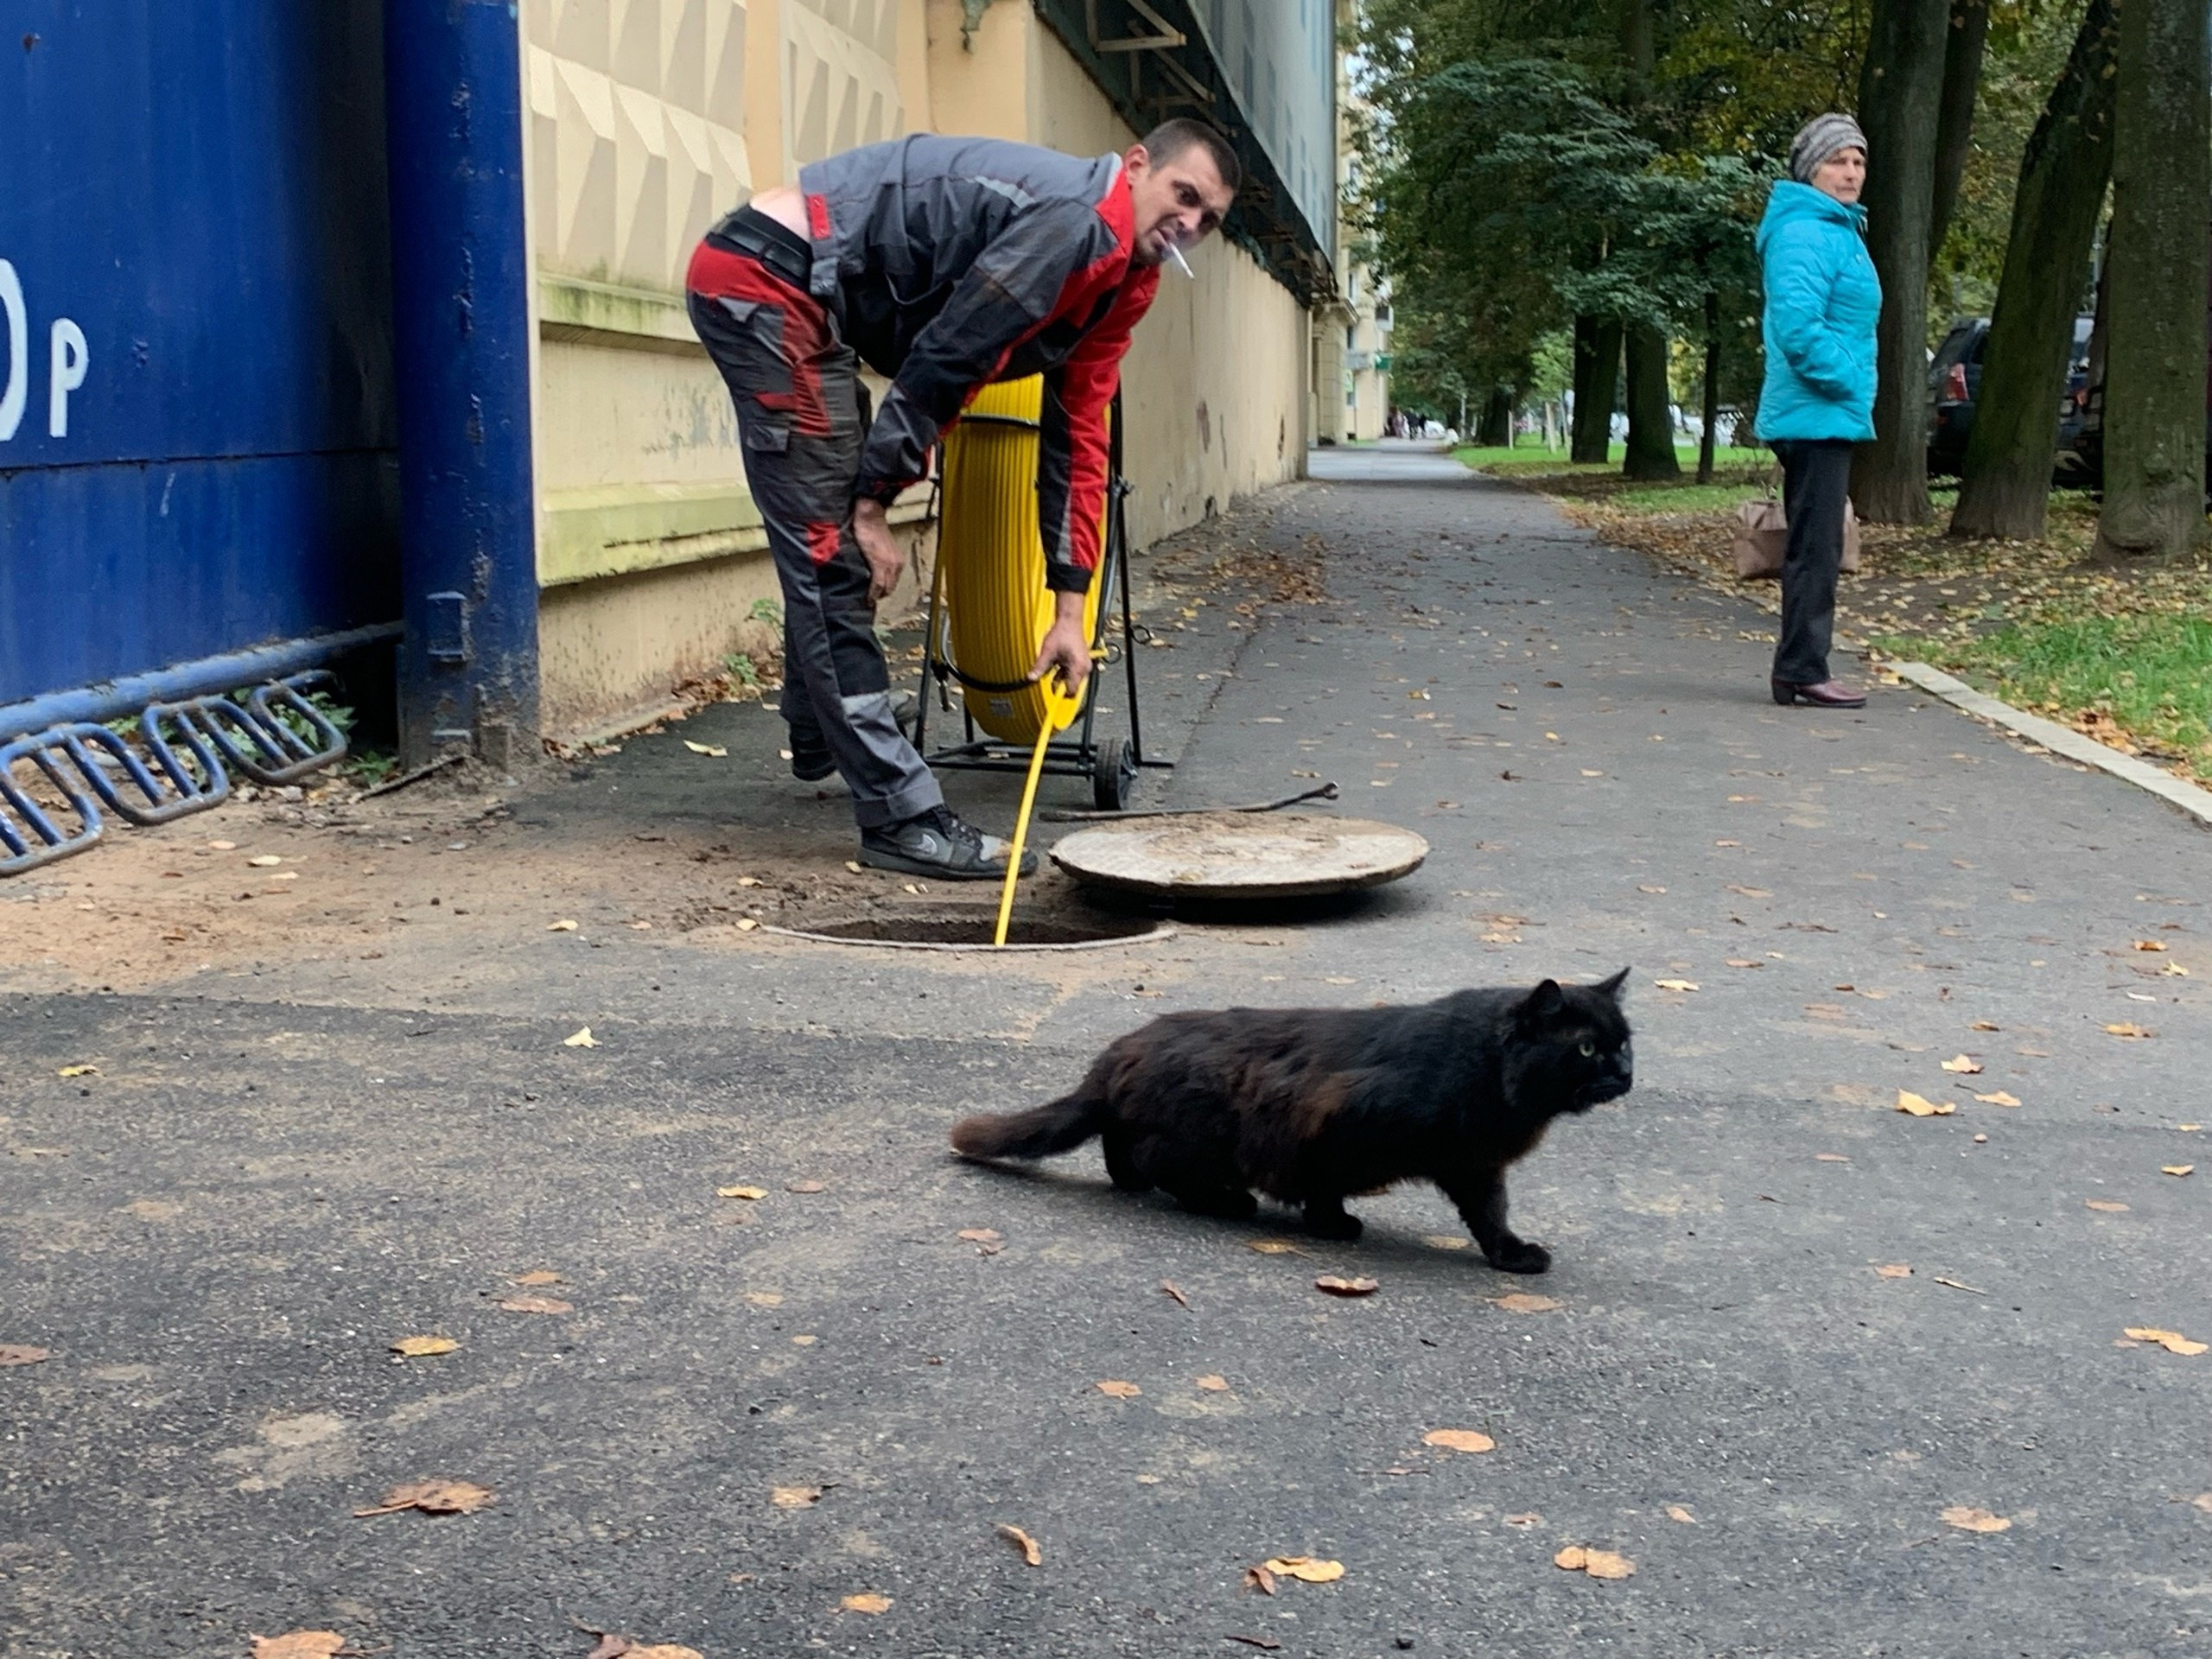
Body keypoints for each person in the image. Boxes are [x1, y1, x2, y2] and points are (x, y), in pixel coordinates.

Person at [685, 123, 1239, 877]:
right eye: (1184, 197)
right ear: (1138, 166)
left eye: (1208, 219)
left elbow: (1080, 437)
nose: (1190, 225)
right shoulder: (1077, 220)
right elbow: (954, 353)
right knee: (832, 552)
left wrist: (1070, 612)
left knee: (832, 537)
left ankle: (821, 726)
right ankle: (900, 819)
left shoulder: (1123, 279)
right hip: (764, 277)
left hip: (809, 296)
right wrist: (874, 502)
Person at [1755, 112, 1880, 709]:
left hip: (1826, 410)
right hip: (1815, 409)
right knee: (1817, 547)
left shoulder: (1836, 230)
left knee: (1819, 543)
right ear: (1811, 169)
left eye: (1858, 161)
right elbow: (1799, 330)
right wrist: (1852, 379)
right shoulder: (1805, 232)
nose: (1851, 171)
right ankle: (1803, 668)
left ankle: (1798, 667)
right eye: (1838, 161)